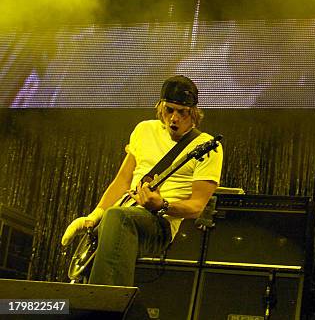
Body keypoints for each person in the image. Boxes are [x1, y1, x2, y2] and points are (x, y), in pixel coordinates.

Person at [61, 75, 223, 286]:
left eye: (181, 112)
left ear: (193, 113)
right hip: (120, 213)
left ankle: (106, 304)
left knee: (120, 218)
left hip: (159, 225)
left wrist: (162, 205)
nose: (174, 118)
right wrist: (94, 217)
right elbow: (122, 180)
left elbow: (197, 207)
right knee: (113, 220)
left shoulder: (207, 146)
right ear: (160, 107)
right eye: (169, 110)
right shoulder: (144, 129)